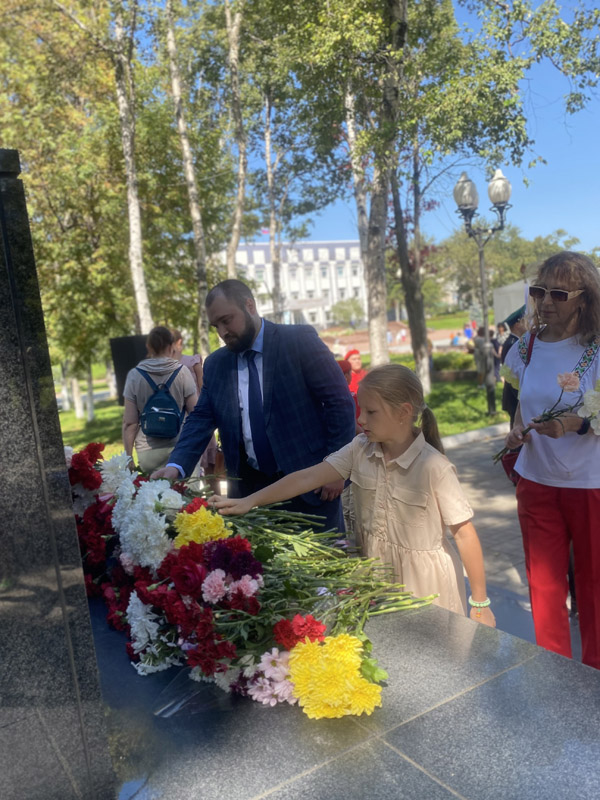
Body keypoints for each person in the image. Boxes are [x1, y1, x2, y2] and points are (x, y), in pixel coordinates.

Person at [215, 364, 496, 625]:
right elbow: (308, 477)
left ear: (403, 412)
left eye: (371, 412)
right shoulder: (359, 449)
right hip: (375, 581)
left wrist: (480, 603)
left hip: (426, 589)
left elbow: (464, 534)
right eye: (361, 410)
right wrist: (250, 500)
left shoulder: (434, 467)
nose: (361, 419)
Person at [152, 280, 355, 530]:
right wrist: (175, 465)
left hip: (312, 488)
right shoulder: (216, 364)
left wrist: (335, 469)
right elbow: (201, 418)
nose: (223, 332)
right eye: (216, 326)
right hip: (248, 497)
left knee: (325, 556)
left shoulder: (298, 341)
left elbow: (339, 403)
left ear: (250, 306)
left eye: (227, 320)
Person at [504, 251, 600, 669]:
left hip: (590, 485)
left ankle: (594, 674)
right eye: (539, 291)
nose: (545, 301)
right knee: (543, 586)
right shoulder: (525, 347)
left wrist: (576, 424)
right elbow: (521, 402)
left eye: (559, 294)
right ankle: (552, 674)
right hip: (536, 482)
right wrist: (515, 430)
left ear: (584, 299)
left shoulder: (596, 349)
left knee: (594, 586)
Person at [122, 326, 198, 473]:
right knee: (186, 488)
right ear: (171, 346)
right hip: (181, 448)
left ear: (148, 346)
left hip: (148, 451)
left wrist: (128, 457)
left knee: (153, 488)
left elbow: (130, 423)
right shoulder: (182, 372)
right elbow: (195, 413)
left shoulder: (134, 375)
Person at [171, 329, 219, 492]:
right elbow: (205, 390)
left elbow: (204, 389)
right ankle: (210, 498)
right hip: (193, 417)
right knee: (206, 469)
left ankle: (204, 498)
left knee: (202, 466)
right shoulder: (189, 362)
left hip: (189, 418)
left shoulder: (189, 363)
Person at [500, 306, 527, 427]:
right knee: (517, 428)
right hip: (514, 395)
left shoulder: (514, 341)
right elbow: (512, 371)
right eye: (524, 321)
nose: (527, 324)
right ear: (517, 325)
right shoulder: (513, 344)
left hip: (515, 396)